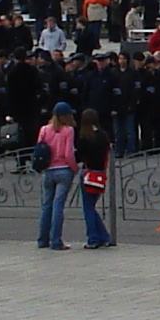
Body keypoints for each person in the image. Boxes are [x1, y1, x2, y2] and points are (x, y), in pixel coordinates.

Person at [35, 102, 79, 247]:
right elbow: (68, 153)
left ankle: (42, 240)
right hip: (63, 169)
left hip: (48, 170)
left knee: (46, 206)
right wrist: (74, 168)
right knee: (58, 207)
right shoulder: (68, 130)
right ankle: (56, 240)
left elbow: (40, 149)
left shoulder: (44, 130)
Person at [75, 107, 112, 247]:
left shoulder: (84, 137)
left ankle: (93, 239)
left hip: (88, 172)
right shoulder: (103, 136)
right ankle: (104, 236)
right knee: (92, 206)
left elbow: (79, 156)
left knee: (88, 208)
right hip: (100, 173)